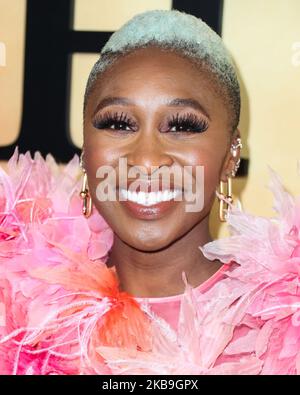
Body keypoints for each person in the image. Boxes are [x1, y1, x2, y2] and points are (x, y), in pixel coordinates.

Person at [0, 9, 299, 375]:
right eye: (119, 124)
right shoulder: (18, 315)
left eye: (182, 126)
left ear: (230, 154)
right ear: (87, 150)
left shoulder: (282, 326)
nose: (146, 160)